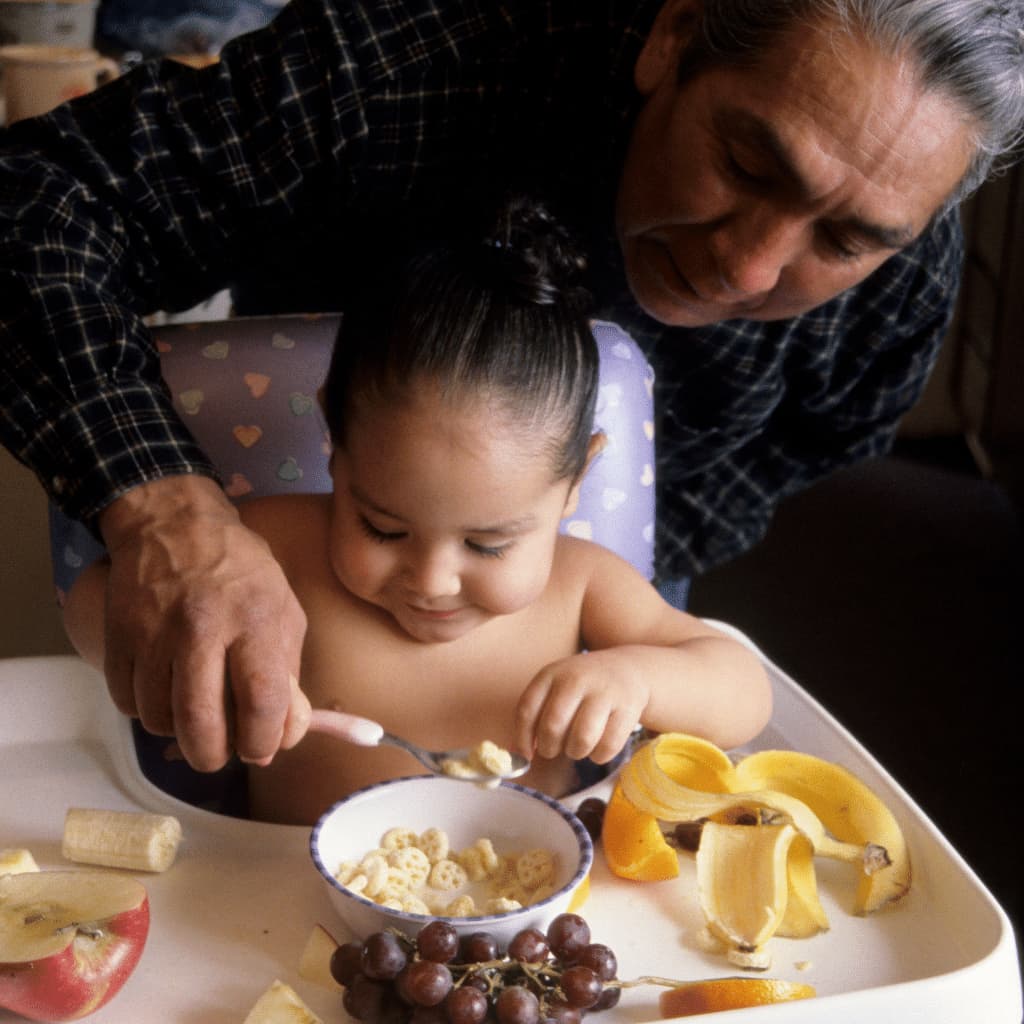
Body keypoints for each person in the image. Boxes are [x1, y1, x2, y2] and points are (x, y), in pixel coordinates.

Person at [1, 0, 1022, 774]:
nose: (747, 267)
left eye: (841, 240)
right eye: (747, 163)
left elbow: (810, 443)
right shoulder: (418, 61)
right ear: (674, 35)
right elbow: (31, 205)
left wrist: (613, 590)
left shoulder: (903, 276)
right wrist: (167, 515)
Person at [61, 196, 773, 825]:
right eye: (383, 527)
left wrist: (638, 680)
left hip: (528, 900)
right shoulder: (270, 550)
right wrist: (196, 654)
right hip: (287, 895)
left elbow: (745, 693)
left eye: (488, 545)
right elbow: (95, 604)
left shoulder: (583, 583)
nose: (432, 580)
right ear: (335, 443)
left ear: (574, 482)